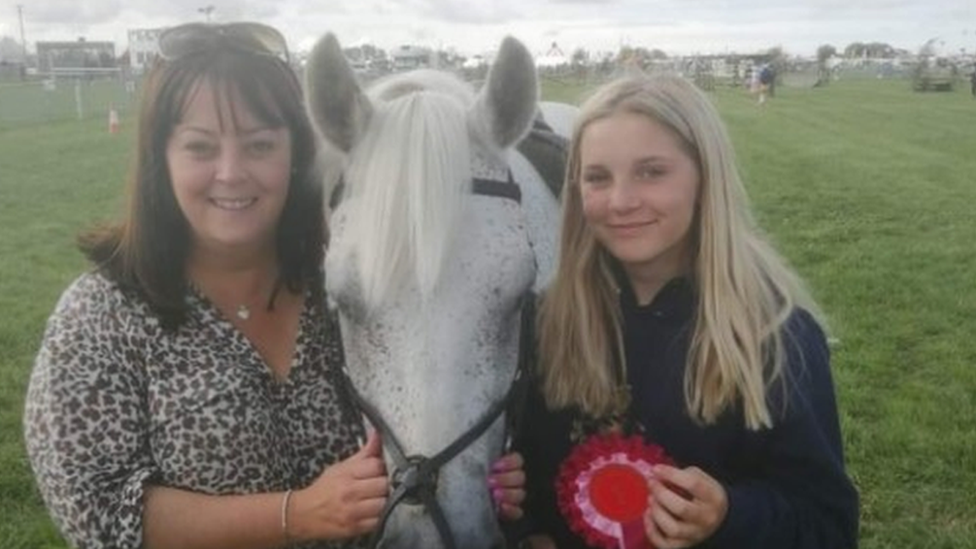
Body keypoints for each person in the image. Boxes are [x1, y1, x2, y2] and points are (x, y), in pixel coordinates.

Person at [23, 22, 524, 549]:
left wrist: (474, 474)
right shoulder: (99, 317)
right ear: (160, 160)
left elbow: (431, 405)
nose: (232, 172)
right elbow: (98, 510)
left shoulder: (350, 290)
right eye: (200, 148)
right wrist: (296, 514)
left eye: (260, 145)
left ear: (296, 153)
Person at [512, 75, 859, 548]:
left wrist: (730, 516)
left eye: (652, 172)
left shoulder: (774, 339)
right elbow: (529, 466)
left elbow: (827, 525)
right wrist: (526, 522)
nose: (621, 201)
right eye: (598, 177)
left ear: (704, 176)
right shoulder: (548, 322)